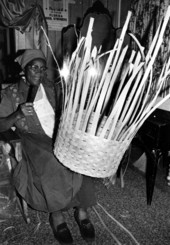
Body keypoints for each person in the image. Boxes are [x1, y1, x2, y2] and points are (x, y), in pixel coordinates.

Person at [0, 49, 96, 244]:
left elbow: (66, 111)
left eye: (42, 68)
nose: (39, 72)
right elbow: (1, 124)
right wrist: (17, 114)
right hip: (32, 139)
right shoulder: (10, 93)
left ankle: (82, 211)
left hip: (57, 133)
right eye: (34, 67)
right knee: (53, 160)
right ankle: (57, 214)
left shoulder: (51, 87)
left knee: (82, 154)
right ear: (24, 70)